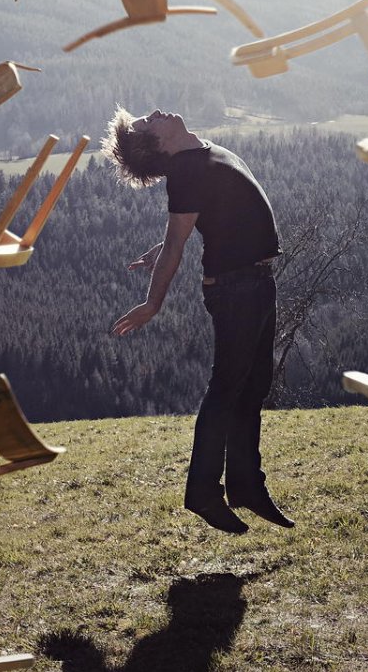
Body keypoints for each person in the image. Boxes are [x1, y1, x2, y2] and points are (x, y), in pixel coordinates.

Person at [105, 107, 293, 534]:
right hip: (235, 288)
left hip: (257, 282)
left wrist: (158, 250)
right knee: (228, 388)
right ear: (157, 144)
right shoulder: (186, 169)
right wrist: (153, 302)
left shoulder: (195, 154)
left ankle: (246, 485)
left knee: (252, 388)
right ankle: (203, 492)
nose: (154, 113)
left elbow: (190, 224)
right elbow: (176, 243)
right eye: (146, 123)